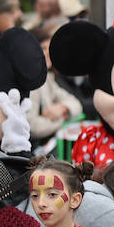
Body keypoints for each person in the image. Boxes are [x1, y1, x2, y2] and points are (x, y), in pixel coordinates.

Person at [25, 20, 85, 148]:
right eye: (43, 48)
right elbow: (32, 127)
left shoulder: (47, 78)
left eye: (49, 48)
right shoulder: (30, 82)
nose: (47, 53)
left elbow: (76, 103)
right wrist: (62, 119)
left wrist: (63, 108)